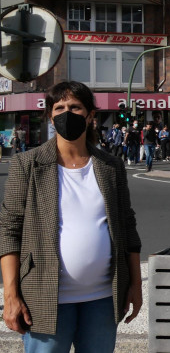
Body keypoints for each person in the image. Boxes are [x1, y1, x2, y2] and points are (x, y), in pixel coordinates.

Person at [0, 81, 142, 352]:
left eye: (76, 107)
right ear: (50, 116)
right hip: (44, 298)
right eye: (60, 107)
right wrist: (11, 295)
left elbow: (127, 226)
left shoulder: (110, 166)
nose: (67, 113)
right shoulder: (27, 164)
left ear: (90, 116)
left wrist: (135, 284)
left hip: (102, 298)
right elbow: (9, 230)